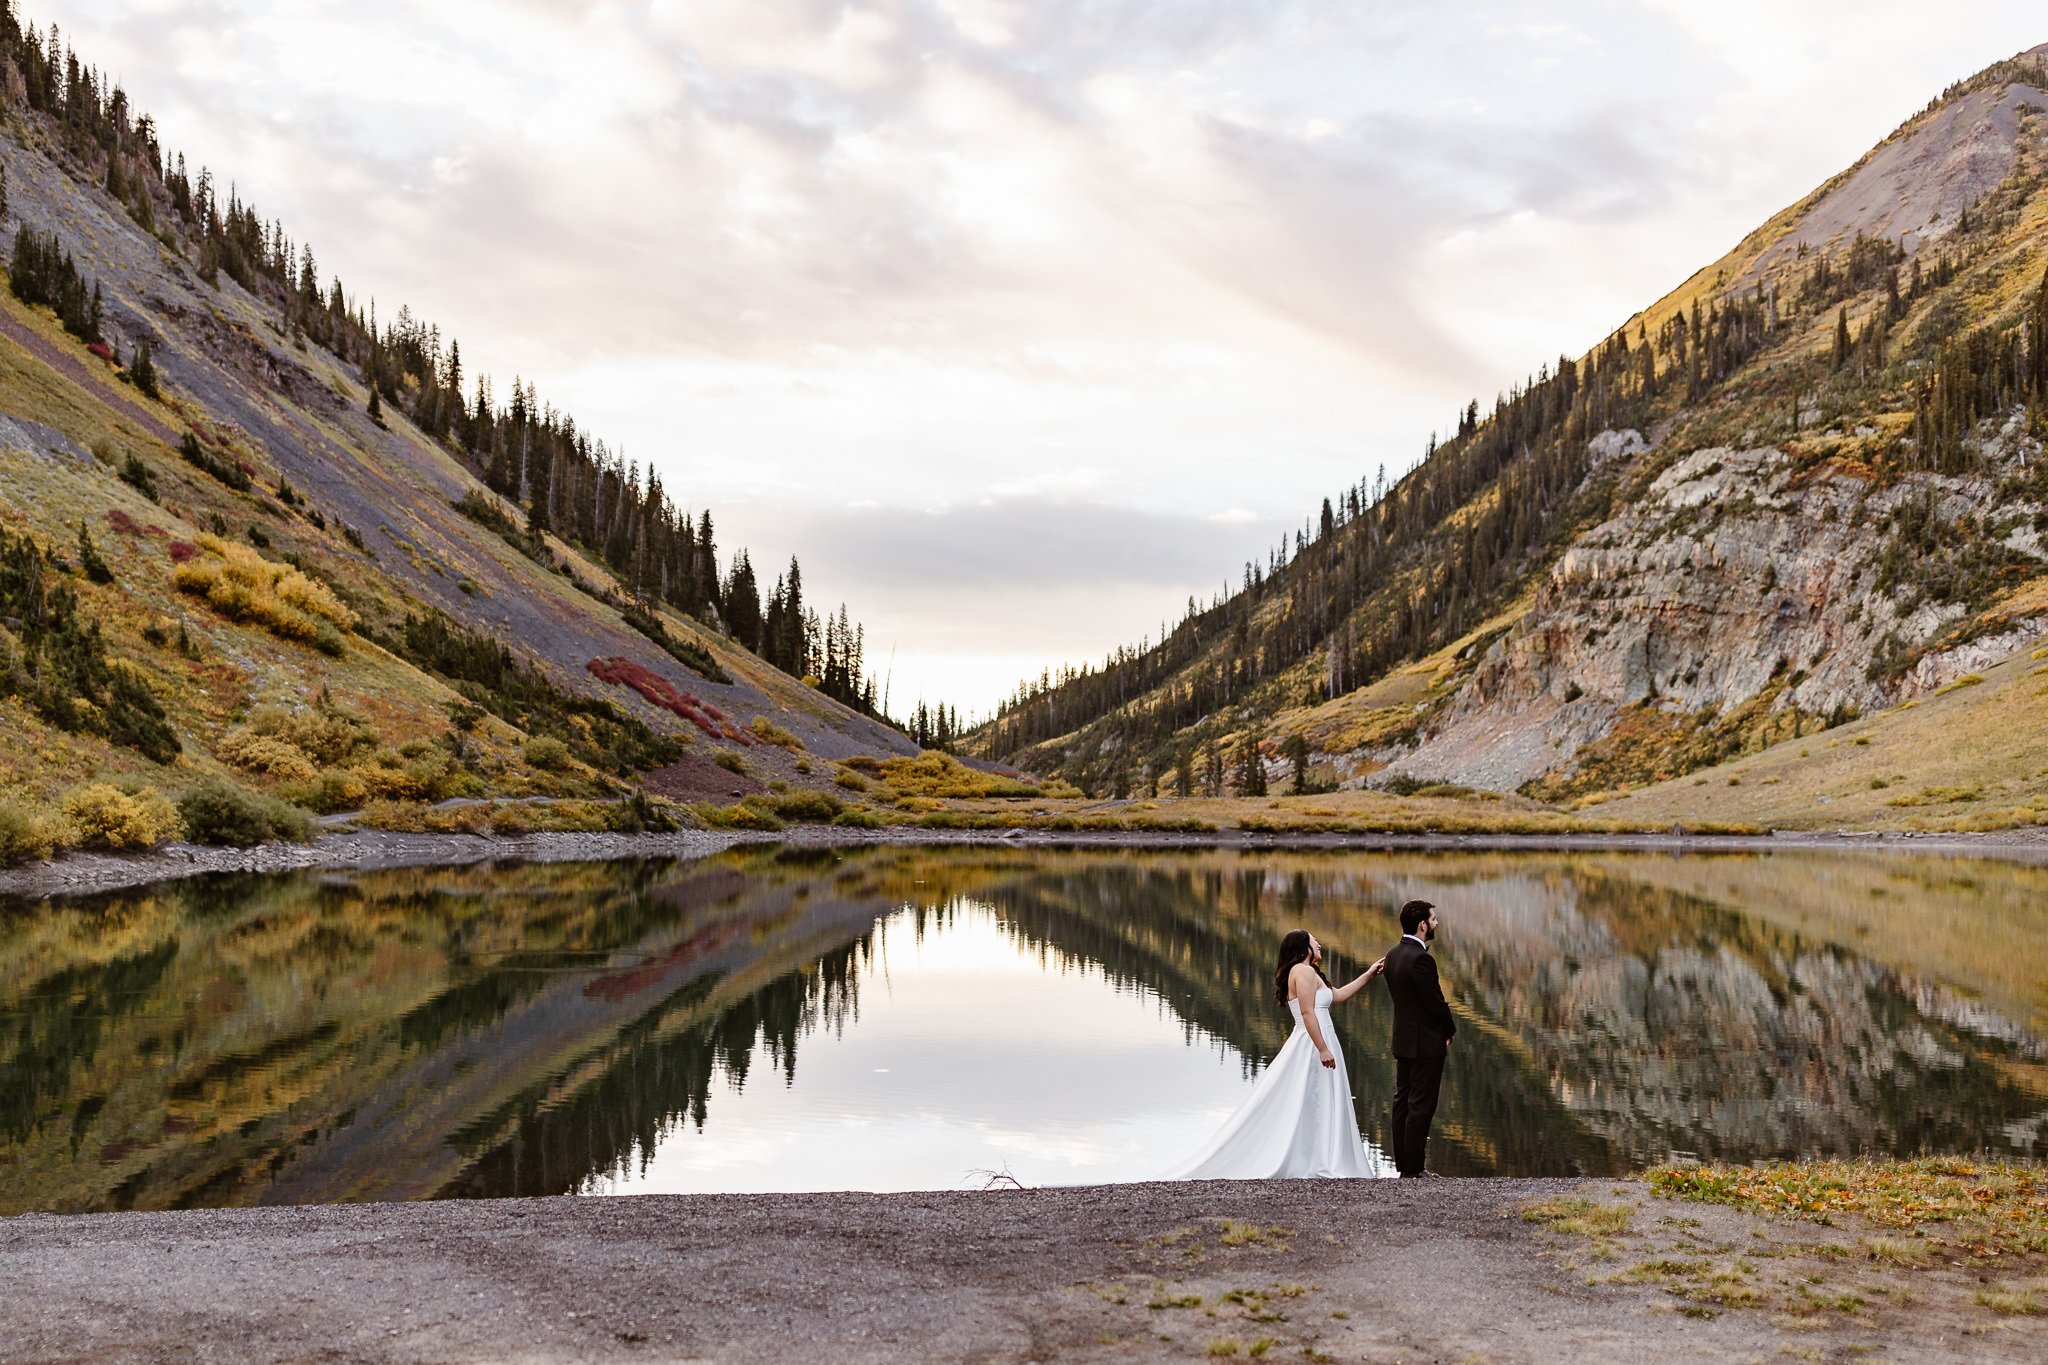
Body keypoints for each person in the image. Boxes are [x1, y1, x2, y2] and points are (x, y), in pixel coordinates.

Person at [1160, 929, 1387, 1180]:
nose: (1319, 943)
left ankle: (1318, 1157)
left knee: (1312, 1099)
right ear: (1303, 948)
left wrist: (1369, 974)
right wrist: (1322, 1048)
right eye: (1314, 940)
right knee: (1311, 1097)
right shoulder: (1303, 972)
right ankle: (1317, 1159)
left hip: (1318, 1039)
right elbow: (1308, 1013)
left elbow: (1340, 995)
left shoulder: (1308, 973)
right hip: (1312, 1043)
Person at [1383, 899, 1455, 1178]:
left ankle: (1404, 1164)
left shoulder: (1393, 954)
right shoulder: (1421, 959)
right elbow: (1435, 1003)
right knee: (1421, 1105)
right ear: (1422, 925)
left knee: (1403, 1101)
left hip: (1403, 1040)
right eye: (1433, 919)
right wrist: (1450, 1030)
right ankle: (1414, 1169)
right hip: (1425, 1043)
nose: (1436, 923)